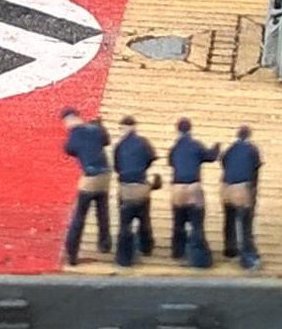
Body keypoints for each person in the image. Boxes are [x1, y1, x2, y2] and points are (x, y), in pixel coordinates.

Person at [61, 107, 112, 265]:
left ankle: (72, 251)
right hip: (105, 175)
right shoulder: (95, 129)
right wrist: (99, 126)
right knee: (102, 210)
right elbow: (106, 140)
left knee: (80, 216)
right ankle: (104, 243)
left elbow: (69, 149)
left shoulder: (74, 136)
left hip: (90, 177)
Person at [168, 117, 220, 268]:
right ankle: (198, 255)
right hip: (193, 188)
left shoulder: (174, 148)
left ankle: (178, 252)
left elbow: (171, 162)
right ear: (190, 129)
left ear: (178, 130)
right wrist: (217, 147)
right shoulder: (196, 145)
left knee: (178, 222)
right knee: (196, 223)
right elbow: (210, 157)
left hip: (177, 188)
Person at [113, 115, 159, 266]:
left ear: (125, 128)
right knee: (144, 219)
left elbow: (117, 167)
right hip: (141, 187)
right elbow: (151, 158)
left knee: (124, 223)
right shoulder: (143, 142)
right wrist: (142, 169)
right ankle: (146, 247)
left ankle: (124, 257)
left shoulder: (119, 146)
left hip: (125, 188)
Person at [220, 125, 262, 269]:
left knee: (229, 219)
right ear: (249, 136)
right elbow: (255, 168)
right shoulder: (252, 149)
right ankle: (247, 258)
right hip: (242, 188)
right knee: (245, 224)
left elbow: (224, 163)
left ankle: (230, 249)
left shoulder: (230, 149)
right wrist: (253, 191)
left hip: (226, 187)